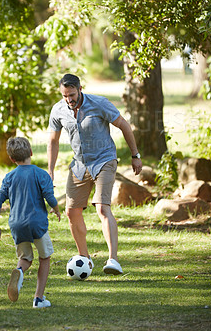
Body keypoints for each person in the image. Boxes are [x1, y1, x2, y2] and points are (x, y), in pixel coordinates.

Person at [47, 74, 142, 275]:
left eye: (72, 95)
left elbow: (124, 125)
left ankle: (113, 260)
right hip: (80, 165)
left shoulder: (99, 103)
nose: (69, 100)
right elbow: (53, 141)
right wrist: (51, 170)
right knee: (71, 212)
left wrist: (135, 155)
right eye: (65, 96)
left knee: (102, 207)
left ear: (80, 89)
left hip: (104, 160)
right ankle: (85, 258)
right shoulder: (58, 110)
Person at [0, 137, 61, 308]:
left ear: (12, 159)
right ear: (31, 153)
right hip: (37, 224)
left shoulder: (9, 176)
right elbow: (50, 197)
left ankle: (19, 272)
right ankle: (38, 298)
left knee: (25, 258)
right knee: (45, 258)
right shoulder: (41, 174)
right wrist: (56, 209)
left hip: (17, 225)